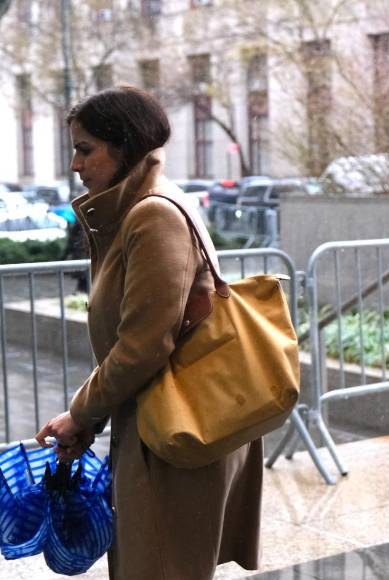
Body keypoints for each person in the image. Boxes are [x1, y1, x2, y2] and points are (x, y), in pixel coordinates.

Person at [35, 86, 262, 579]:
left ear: (125, 145)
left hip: (173, 432)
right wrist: (92, 417)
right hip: (163, 424)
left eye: (85, 148)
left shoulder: (152, 214)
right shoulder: (143, 207)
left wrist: (81, 413)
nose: (75, 164)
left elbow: (142, 346)